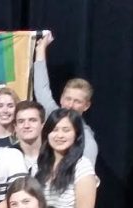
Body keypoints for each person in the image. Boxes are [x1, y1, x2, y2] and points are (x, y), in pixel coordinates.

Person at [33, 32, 98, 166]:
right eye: (68, 99)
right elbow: (41, 87)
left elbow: (87, 175)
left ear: (86, 106)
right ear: (61, 99)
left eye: (77, 101)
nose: (70, 105)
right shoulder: (52, 112)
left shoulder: (87, 141)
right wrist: (40, 50)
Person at [12, 101, 46, 176]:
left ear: (42, 125)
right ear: (15, 127)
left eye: (32, 120)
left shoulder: (54, 155)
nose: (26, 126)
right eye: (21, 121)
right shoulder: (7, 157)